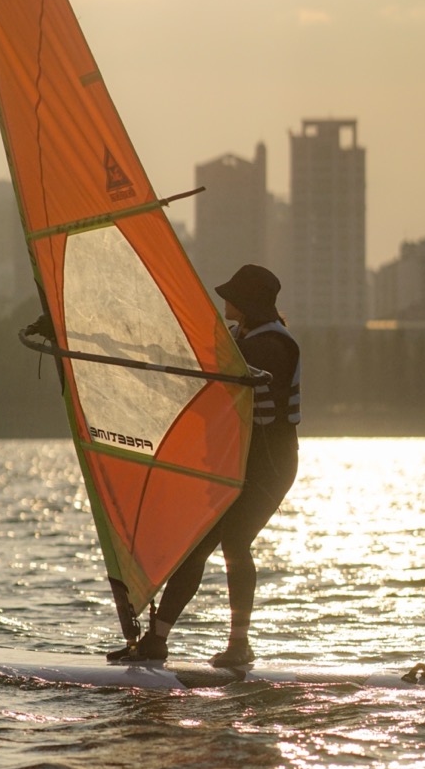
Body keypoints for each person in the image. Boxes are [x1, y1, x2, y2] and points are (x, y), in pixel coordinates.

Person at [109, 264, 300, 668]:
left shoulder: (274, 345)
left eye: (230, 296)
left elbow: (228, 367)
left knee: (234, 543)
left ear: (247, 304)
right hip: (235, 460)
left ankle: (239, 645)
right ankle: (157, 639)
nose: (223, 301)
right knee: (197, 546)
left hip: (271, 465)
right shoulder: (238, 337)